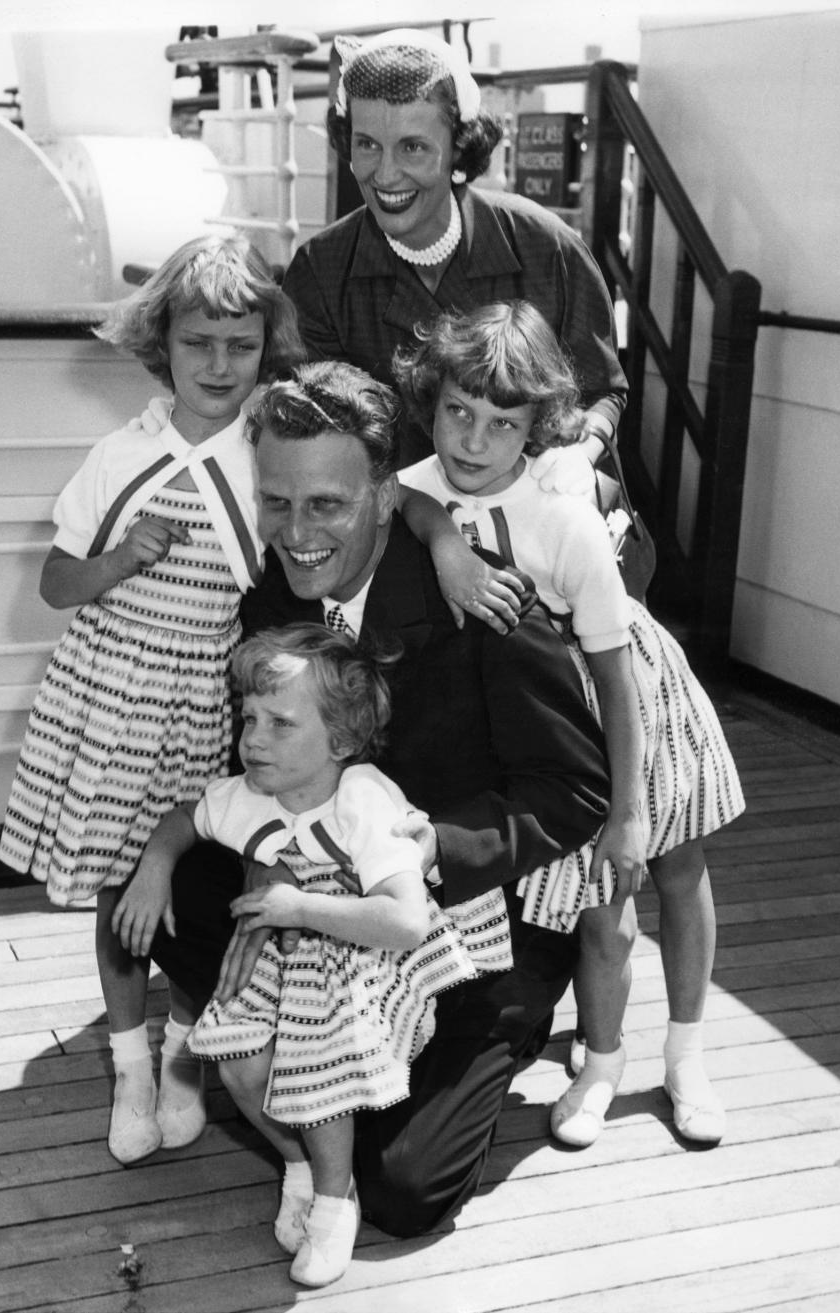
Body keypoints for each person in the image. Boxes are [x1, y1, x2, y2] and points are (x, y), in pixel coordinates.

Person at [147, 357, 612, 1239]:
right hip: (325, 906)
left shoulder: (484, 600)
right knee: (168, 893)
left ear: (388, 495)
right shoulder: (273, 600)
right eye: (277, 502)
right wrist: (260, 875)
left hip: (460, 926)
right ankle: (292, 1053)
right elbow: (252, 774)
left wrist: (439, 843)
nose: (296, 532)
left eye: (326, 504)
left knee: (398, 1189)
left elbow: (575, 786)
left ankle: (486, 1042)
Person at [394, 300, 746, 1148]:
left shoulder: (566, 520)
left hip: (627, 697)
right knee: (600, 907)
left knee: (668, 864)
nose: (472, 442)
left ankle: (688, 1054)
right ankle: (602, 1057)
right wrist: (443, 537)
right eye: (457, 413)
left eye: (501, 423)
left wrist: (628, 811)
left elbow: (616, 672)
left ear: (537, 428)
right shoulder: (420, 486)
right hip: (550, 724)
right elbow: (404, 498)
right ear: (433, 404)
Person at [0, 232, 307, 1165]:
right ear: (160, 344)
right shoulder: (120, 453)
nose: (219, 365)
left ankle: (185, 1057)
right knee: (117, 890)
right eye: (197, 342)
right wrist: (123, 557)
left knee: (199, 886)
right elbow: (55, 584)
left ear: (265, 347)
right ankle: (131, 1064)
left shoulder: (269, 453)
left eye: (241, 345)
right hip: (110, 701)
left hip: (206, 705)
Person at [123, 624, 512, 1286]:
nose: (253, 738)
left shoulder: (362, 797)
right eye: (248, 716)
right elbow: (188, 814)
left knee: (316, 1055)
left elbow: (404, 918)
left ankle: (336, 1199)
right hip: (285, 940)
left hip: (365, 945)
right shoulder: (248, 793)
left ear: (341, 740)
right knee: (241, 1061)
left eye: (280, 722)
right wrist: (157, 860)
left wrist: (300, 909)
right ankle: (298, 1161)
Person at [281, 27, 628, 469]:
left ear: (459, 148)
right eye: (367, 145)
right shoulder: (320, 272)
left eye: (413, 147)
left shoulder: (548, 247)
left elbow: (603, 391)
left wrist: (580, 458)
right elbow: (317, 433)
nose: (385, 175)